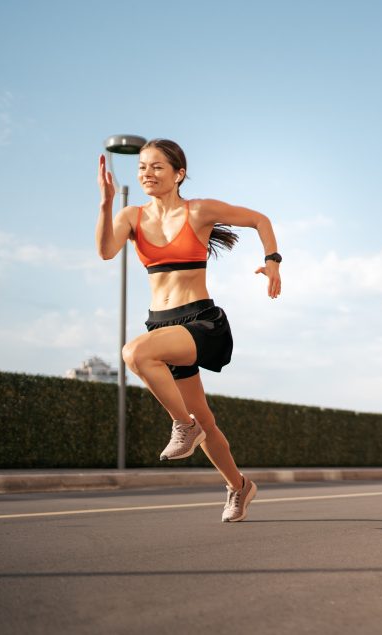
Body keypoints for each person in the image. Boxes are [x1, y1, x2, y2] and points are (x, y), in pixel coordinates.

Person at [95, 138, 281, 522]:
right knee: (207, 423)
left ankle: (183, 426)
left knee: (135, 353)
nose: (147, 173)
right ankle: (239, 486)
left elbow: (260, 219)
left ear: (179, 174)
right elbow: (105, 251)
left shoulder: (199, 211)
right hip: (161, 325)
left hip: (201, 322)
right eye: (142, 167)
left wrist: (273, 262)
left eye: (157, 167)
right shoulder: (131, 216)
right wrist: (106, 202)